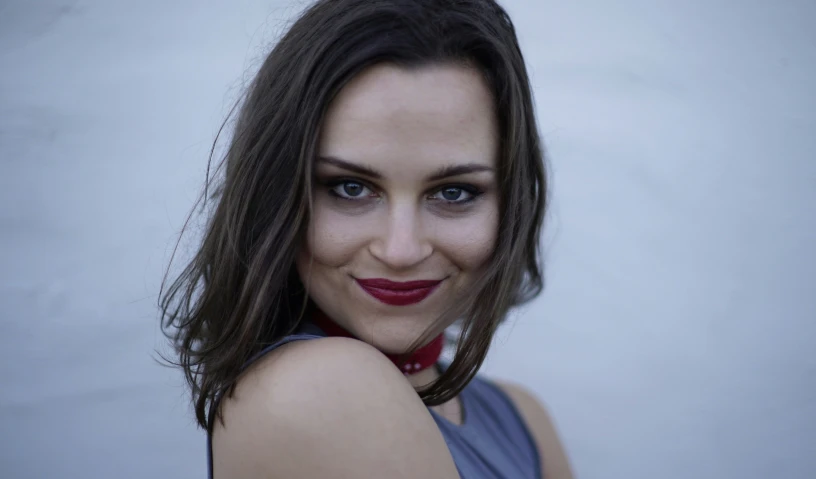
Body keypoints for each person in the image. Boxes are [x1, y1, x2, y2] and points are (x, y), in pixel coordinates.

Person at [160, 0, 574, 477]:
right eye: (350, 188)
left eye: (454, 192)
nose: (400, 250)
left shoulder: (523, 418)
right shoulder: (318, 387)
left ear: (510, 205)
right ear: (276, 197)